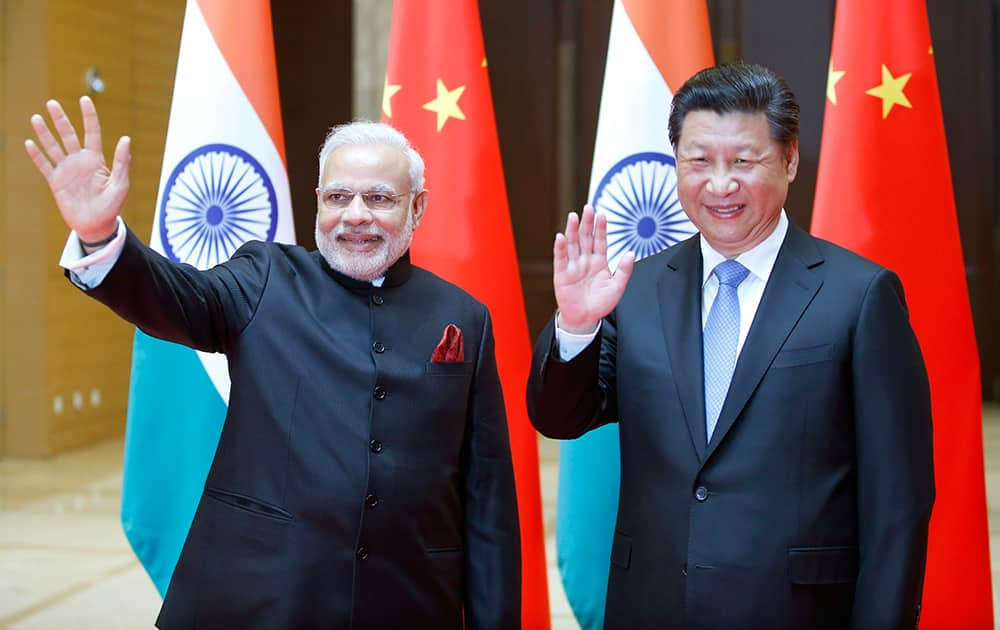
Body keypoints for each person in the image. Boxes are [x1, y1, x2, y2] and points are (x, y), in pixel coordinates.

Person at [25, 96, 521, 629]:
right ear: (317, 202)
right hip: (261, 598)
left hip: (409, 603)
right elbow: (174, 296)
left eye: (379, 198)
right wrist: (103, 238)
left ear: (417, 207)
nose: (356, 215)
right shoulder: (265, 279)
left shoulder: (463, 317)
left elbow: (487, 497)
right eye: (338, 196)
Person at [527, 63, 934, 629]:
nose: (719, 185)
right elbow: (559, 417)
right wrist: (575, 325)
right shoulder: (633, 290)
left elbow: (899, 505)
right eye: (698, 162)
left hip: (798, 612)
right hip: (652, 606)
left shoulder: (859, 296)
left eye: (744, 161)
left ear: (789, 159)